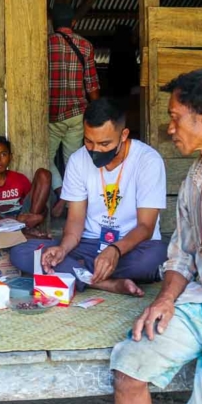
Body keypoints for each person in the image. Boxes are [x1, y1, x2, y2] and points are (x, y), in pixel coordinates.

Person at [111, 69, 202, 404]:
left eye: (176, 117)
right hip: (198, 300)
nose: (170, 128)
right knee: (131, 364)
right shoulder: (194, 181)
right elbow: (182, 253)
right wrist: (165, 300)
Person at [10, 98, 168, 296]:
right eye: (88, 141)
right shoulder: (78, 160)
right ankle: (107, 283)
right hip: (89, 244)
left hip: (131, 246)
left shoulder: (148, 160)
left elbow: (146, 227)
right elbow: (75, 221)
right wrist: (63, 250)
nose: (95, 150)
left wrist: (115, 251)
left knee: (154, 258)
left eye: (104, 143)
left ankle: (78, 272)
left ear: (124, 135)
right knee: (22, 252)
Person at [48, 4, 100, 217]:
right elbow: (92, 85)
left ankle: (61, 193)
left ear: (52, 22)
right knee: (74, 160)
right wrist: (96, 111)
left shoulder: (46, 44)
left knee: (44, 159)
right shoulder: (86, 45)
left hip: (51, 114)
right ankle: (73, 203)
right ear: (74, 23)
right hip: (77, 112)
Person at [0, 135, 52, 236]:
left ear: (10, 156)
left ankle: (27, 227)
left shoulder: (20, 179)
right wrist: (15, 220)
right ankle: (19, 228)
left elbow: (37, 203)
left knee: (44, 174)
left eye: (3, 154)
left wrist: (39, 216)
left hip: (22, 215)